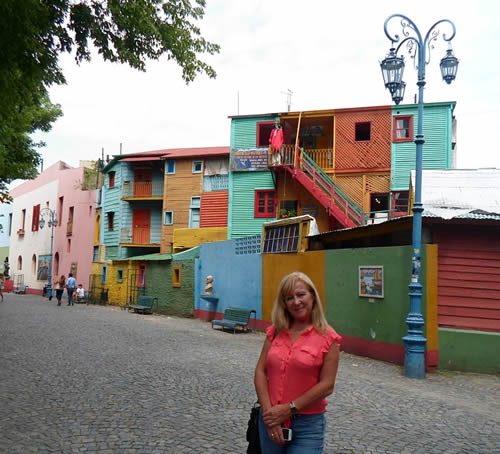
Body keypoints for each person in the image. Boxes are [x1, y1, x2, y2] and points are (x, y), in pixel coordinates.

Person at [254, 272, 341, 453]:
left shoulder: (329, 337)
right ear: (284, 304)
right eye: (289, 298)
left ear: (313, 296)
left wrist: (288, 410)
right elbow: (260, 372)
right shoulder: (276, 331)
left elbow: (327, 385)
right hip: (269, 420)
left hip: (307, 426)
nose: (296, 302)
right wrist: (270, 416)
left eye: (301, 295)